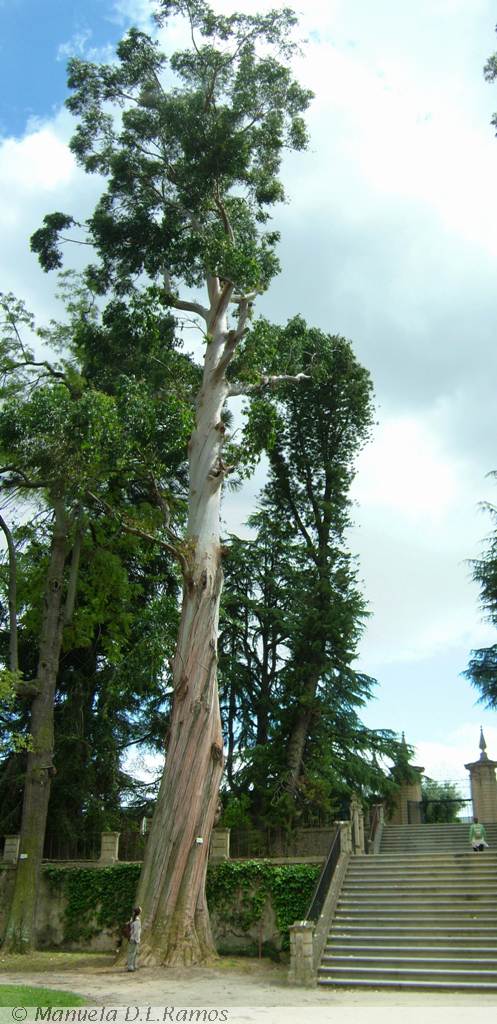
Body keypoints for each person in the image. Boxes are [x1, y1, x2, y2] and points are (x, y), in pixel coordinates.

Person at [127, 906, 142, 971]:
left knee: (134, 953)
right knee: (132, 953)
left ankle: (134, 965)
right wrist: (137, 940)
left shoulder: (132, 919)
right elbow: (136, 932)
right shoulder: (137, 920)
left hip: (132, 938)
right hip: (134, 939)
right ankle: (131, 967)